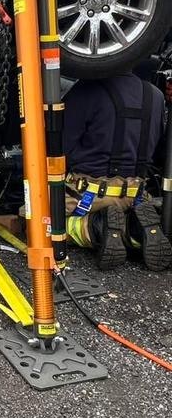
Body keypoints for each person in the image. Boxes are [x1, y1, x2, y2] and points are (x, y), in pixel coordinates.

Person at [63, 72, 172, 271]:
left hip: (87, 197)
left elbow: (61, 148)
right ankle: (135, 231)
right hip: (136, 197)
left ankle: (95, 228)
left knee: (35, 222)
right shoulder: (156, 96)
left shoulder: (87, 89)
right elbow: (159, 153)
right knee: (139, 214)